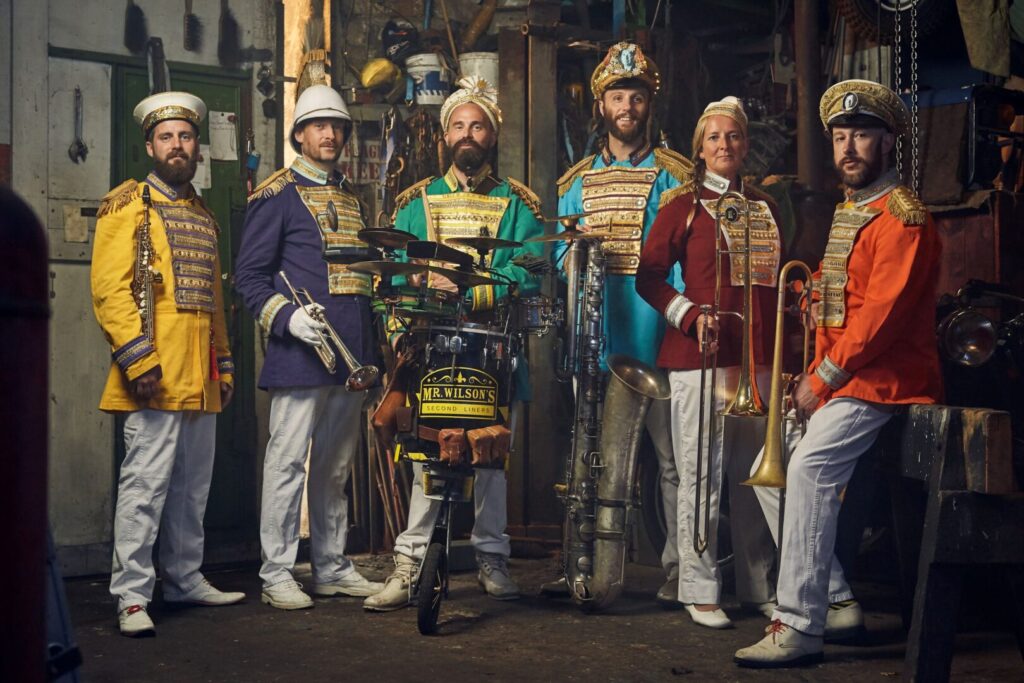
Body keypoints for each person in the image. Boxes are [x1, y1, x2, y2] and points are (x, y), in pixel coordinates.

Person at [734, 79, 943, 667]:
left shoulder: (904, 218)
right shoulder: (851, 210)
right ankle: (837, 598)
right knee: (766, 472)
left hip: (886, 381)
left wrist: (817, 381)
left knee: (809, 468)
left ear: (888, 142)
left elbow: (879, 320)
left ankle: (799, 625)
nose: (849, 147)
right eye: (841, 136)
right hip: (846, 375)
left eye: (863, 135)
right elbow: (844, 305)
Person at [363, 77, 545, 611]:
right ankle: (411, 562)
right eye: (459, 125)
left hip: (490, 345)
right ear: (446, 136)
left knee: (490, 458)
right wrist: (420, 286)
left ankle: (491, 558)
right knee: (426, 453)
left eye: (479, 125)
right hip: (429, 348)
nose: (469, 134)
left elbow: (531, 270)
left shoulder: (517, 202)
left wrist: (475, 288)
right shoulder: (415, 202)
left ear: (492, 135)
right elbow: (392, 276)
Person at [91, 91, 244, 637]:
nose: (177, 145)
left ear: (196, 146)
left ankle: (183, 577)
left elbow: (214, 304)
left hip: (199, 373)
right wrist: (137, 357)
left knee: (191, 487)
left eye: (185, 136)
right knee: (145, 485)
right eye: (166, 137)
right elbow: (109, 289)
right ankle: (131, 596)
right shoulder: (127, 204)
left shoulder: (203, 215)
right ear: (149, 146)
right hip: (153, 371)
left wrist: (223, 366)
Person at [234, 84, 384, 610]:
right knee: (287, 463)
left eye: (337, 126)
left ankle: (331, 566)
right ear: (299, 134)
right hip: (300, 353)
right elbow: (248, 277)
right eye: (319, 126)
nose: (330, 134)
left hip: (351, 354)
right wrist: (287, 318)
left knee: (335, 467)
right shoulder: (275, 194)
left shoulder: (350, 196)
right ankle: (276, 572)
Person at [555, 42, 694, 605]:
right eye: (617, 95)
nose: (627, 106)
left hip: (657, 341)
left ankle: (681, 567)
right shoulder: (575, 181)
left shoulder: (676, 176)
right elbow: (563, 265)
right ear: (601, 105)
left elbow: (685, 265)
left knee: (671, 462)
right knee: (586, 454)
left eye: (636, 96)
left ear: (649, 105)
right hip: (597, 342)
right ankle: (581, 564)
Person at [635, 96, 781, 628]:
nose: (724, 145)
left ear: (744, 145)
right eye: (714, 137)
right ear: (700, 148)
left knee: (755, 478)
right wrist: (689, 314)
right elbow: (647, 276)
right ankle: (698, 588)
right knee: (700, 473)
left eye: (734, 136)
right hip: (699, 360)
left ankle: (757, 585)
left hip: (758, 360)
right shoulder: (683, 207)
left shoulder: (765, 205)